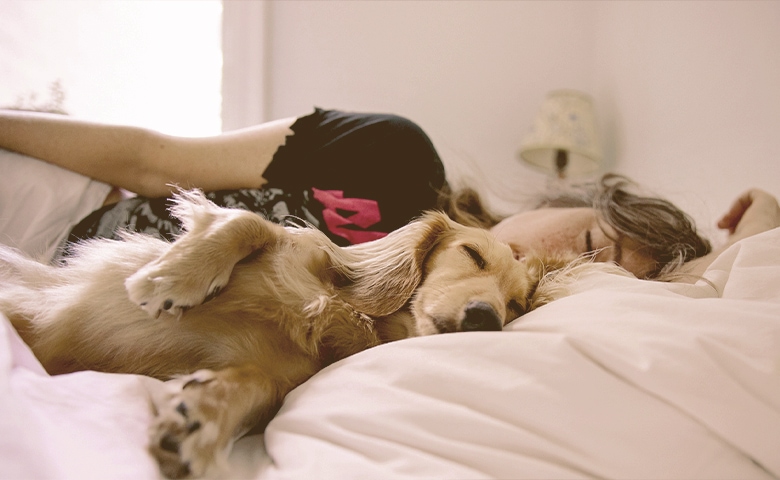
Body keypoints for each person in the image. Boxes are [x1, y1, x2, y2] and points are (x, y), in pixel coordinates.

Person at [1, 107, 778, 282]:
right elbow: (149, 158)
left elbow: (705, 310)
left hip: (66, 294)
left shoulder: (460, 314)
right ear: (562, 198)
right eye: (582, 243)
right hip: (70, 208)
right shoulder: (392, 153)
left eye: (590, 274)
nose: (554, 265)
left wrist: (759, 234)